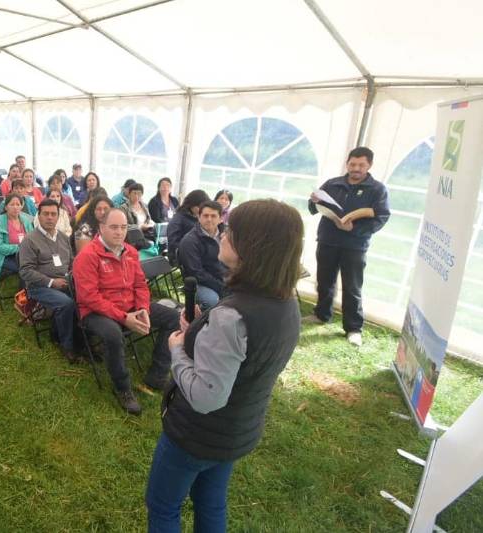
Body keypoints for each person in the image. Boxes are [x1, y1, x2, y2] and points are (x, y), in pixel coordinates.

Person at [144, 199, 304, 533]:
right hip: (235, 431)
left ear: (253, 246)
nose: (222, 233)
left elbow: (206, 397)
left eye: (231, 231)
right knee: (211, 503)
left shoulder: (234, 316)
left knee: (163, 507)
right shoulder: (287, 303)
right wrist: (202, 333)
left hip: (196, 434)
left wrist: (178, 350)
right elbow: (247, 360)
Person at [72, 209, 181, 415]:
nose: (119, 232)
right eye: (114, 227)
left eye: (123, 227)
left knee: (173, 317)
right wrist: (124, 318)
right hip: (96, 312)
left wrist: (143, 308)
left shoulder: (130, 251)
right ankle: (123, 388)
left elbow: (140, 284)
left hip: (130, 306)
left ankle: (157, 375)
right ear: (101, 228)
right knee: (113, 334)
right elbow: (89, 297)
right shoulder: (87, 256)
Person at [307, 146, 390, 347]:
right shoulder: (333, 183)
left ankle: (353, 328)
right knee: (324, 280)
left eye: (361, 165)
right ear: (347, 164)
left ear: (369, 165)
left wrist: (354, 229)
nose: (356, 168)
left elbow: (381, 217)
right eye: (353, 164)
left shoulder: (377, 189)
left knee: (352, 286)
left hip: (355, 246)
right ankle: (321, 314)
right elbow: (313, 209)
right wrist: (313, 201)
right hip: (327, 240)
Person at [19, 198, 77, 363]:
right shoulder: (30, 240)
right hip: (39, 286)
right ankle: (67, 345)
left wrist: (72, 274)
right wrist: (52, 282)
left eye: (53, 214)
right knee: (66, 304)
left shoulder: (64, 238)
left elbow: (72, 262)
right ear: (39, 215)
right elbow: (25, 271)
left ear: (59, 217)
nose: (50, 217)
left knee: (84, 296)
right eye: (46, 214)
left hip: (65, 281)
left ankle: (69, 336)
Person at [178, 201, 228, 310]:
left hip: (223, 279)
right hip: (200, 283)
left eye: (213, 216)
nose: (209, 219)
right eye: (205, 215)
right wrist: (222, 287)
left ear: (220, 219)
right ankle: (202, 323)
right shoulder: (190, 241)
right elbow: (196, 273)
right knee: (212, 301)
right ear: (199, 217)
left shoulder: (225, 236)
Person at [0, 193, 33, 279]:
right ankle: (25, 291)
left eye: (18, 204)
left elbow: (32, 239)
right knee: (27, 270)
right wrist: (19, 247)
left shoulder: (26, 220)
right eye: (12, 204)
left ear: (21, 207)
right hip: (4, 257)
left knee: (40, 265)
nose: (15, 207)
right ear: (6, 207)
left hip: (24, 255)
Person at [167, 189, 211, 264]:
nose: (202, 210)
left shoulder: (198, 218)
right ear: (192, 204)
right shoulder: (178, 219)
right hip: (183, 259)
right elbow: (173, 243)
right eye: (199, 207)